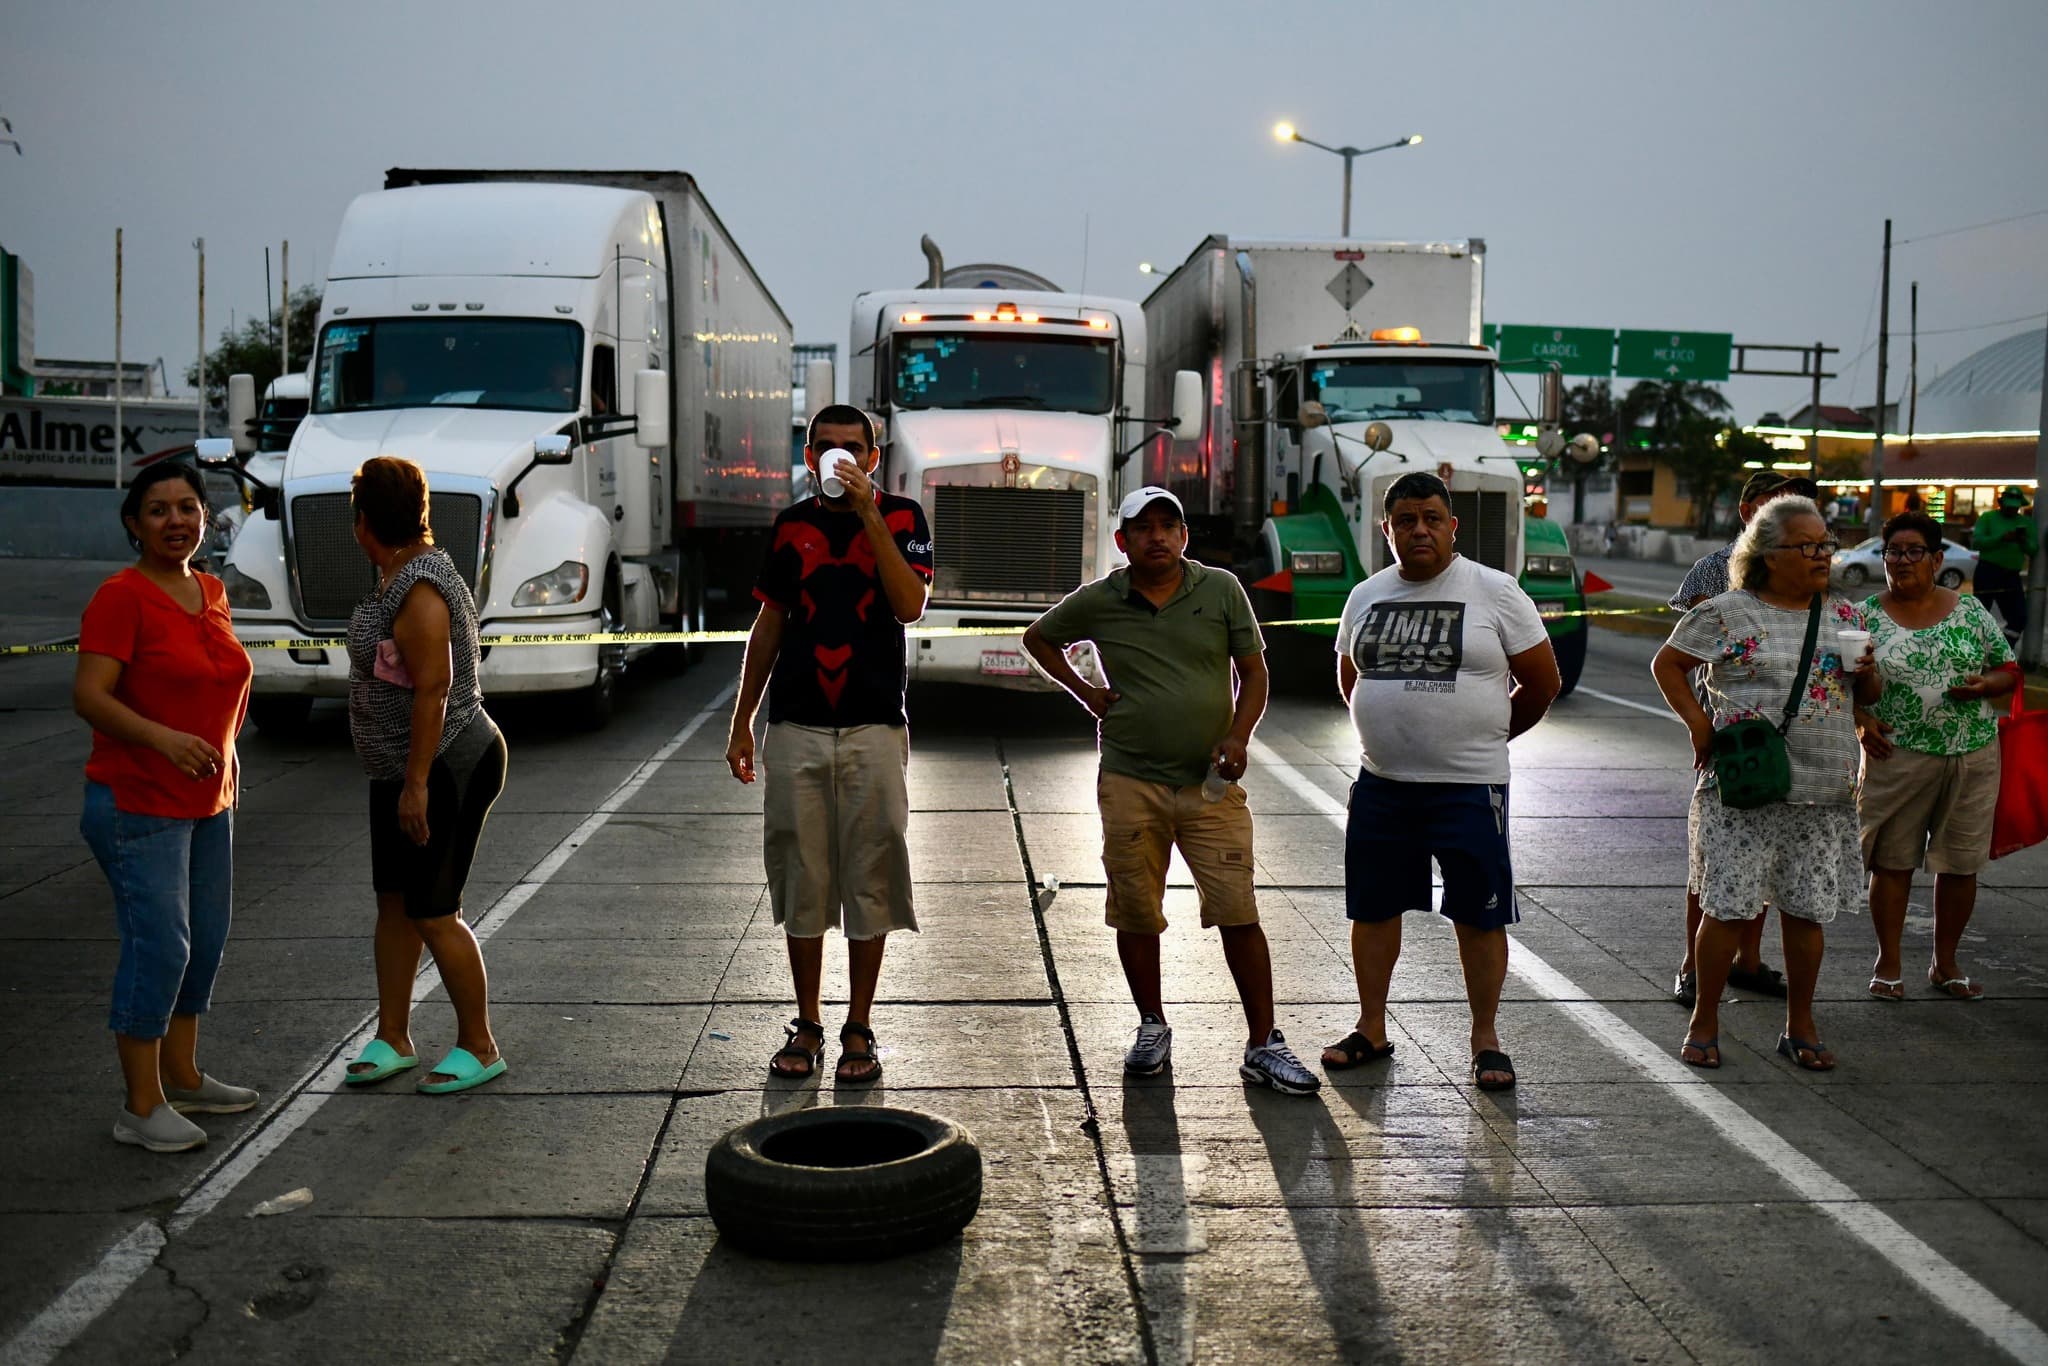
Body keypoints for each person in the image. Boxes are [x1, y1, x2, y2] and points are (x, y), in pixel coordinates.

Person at [1023, 486, 1318, 1096]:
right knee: (1136, 910)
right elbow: (1039, 639)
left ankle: (1264, 1042)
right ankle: (1152, 1025)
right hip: (1131, 780)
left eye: (1168, 526)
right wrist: (1089, 693)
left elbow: (1255, 671)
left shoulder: (1221, 590)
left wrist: (1239, 736)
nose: (1157, 537)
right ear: (1122, 540)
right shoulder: (1102, 600)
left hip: (1211, 787)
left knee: (1238, 910)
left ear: (1184, 536)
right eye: (1143, 528)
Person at [1325, 471, 1560, 1091]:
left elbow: (1541, 684)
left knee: (1478, 917)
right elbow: (1351, 678)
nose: (1419, 529)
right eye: (1406, 519)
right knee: (1373, 911)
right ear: (1388, 530)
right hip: (1383, 784)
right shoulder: (1366, 596)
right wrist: (1388, 730)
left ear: (1452, 526)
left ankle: (1486, 1040)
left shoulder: (1496, 591)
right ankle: (1371, 1027)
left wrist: (1485, 738)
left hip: (1469, 788)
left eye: (1432, 517)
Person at [727, 404, 933, 1084]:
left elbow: (909, 605)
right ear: (808, 453)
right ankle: (809, 1020)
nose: (840, 457)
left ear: (873, 458)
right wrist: (742, 720)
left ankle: (860, 1026)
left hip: (874, 725)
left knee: (871, 871)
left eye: (853, 447)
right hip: (797, 725)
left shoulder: (903, 518)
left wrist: (870, 513)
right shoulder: (791, 526)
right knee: (802, 875)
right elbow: (771, 622)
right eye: (826, 447)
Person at [1651, 495, 1879, 1072]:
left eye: (1826, 543)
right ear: (1769, 555)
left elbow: (1865, 698)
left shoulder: (1845, 617)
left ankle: (1800, 1024)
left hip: (1824, 789)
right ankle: (1705, 1018)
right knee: (1726, 909)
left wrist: (1869, 674)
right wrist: (1700, 725)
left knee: (1806, 912)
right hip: (1745, 786)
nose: (1823, 554)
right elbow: (1668, 664)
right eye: (1808, 545)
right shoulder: (1728, 611)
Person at [74, 461, 257, 1152]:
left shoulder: (208, 589)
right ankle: (139, 1105)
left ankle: (182, 1074)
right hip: (137, 801)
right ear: (133, 523)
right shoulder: (121, 597)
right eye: (157, 510)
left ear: (206, 519)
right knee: (161, 947)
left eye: (188, 507)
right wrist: (164, 740)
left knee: (204, 942)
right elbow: (90, 695)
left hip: (208, 799)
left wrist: (227, 746)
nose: (175, 520)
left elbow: (222, 679)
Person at [342, 456, 509, 1094]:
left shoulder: (419, 589)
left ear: (363, 523)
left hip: (446, 765)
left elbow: (434, 691)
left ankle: (479, 1044)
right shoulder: (395, 576)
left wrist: (415, 786)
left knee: (435, 909)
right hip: (401, 768)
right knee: (395, 903)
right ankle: (393, 1035)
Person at [1665, 471, 1821, 1007]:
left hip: (1798, 745)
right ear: (1746, 509)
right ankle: (1693, 966)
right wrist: (1698, 723)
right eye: (1772, 501)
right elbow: (1683, 648)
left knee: (1771, 872)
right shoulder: (1715, 569)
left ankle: (1747, 961)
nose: (1783, 508)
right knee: (1715, 867)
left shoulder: (1822, 589)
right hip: (1732, 736)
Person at [1855, 510, 2015, 1001]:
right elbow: (1837, 686)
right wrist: (1861, 721)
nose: (1901, 561)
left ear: (1936, 558)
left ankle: (1945, 964)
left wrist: (1986, 685)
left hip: (1972, 753)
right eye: (1893, 553)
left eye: (1913, 552)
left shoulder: (1969, 612)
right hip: (1896, 755)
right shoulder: (1863, 616)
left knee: (1960, 863)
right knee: (1892, 862)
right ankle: (1889, 963)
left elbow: (2007, 669)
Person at [1969, 486, 2033, 644]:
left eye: (2015, 506)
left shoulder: (2025, 523)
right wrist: (2001, 538)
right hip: (1988, 571)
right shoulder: (1988, 518)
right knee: (1980, 616)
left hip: (2011, 575)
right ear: (2001, 503)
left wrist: (2023, 541)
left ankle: (2001, 654)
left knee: (2019, 617)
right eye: (2008, 505)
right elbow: (1976, 543)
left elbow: (2034, 550)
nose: (2012, 509)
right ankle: (1972, 653)